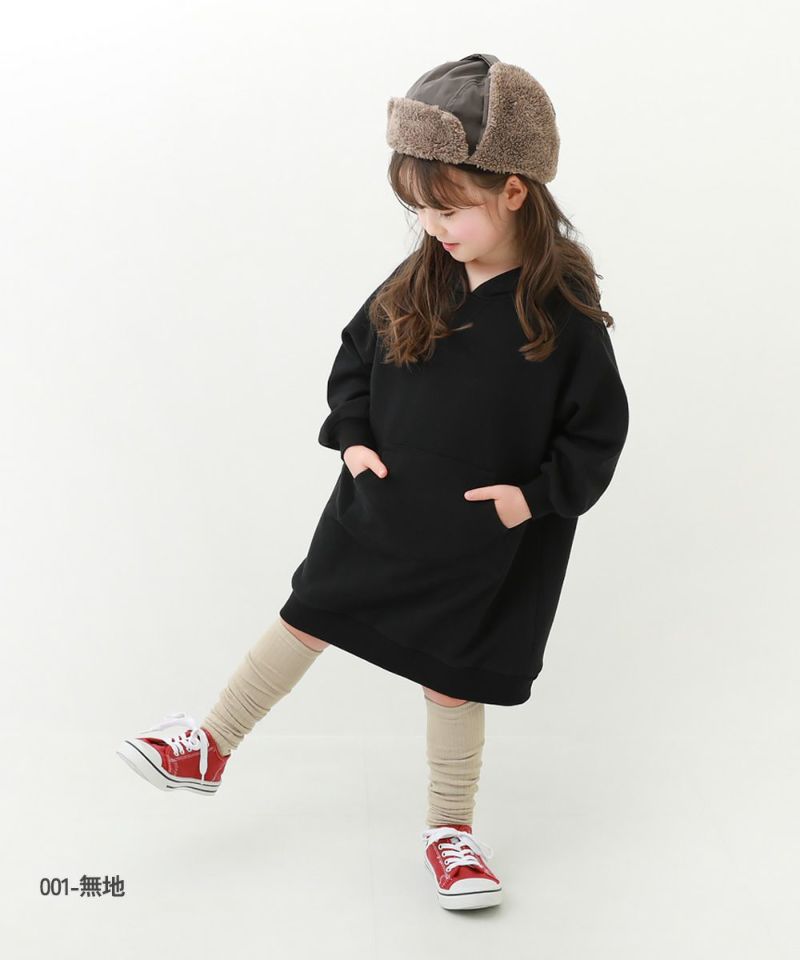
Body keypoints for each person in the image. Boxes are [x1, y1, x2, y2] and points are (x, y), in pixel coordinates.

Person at [116, 52, 630, 912]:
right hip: (383, 505)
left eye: (448, 208)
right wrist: (353, 440)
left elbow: (598, 430)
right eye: (417, 208)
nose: (431, 226)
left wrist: (531, 499)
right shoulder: (421, 276)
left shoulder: (564, 314)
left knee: (453, 675)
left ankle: (450, 831)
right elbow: (354, 357)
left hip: (483, 538)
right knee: (308, 614)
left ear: (513, 190)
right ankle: (209, 743)